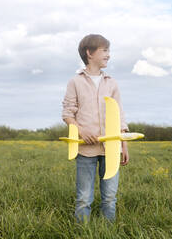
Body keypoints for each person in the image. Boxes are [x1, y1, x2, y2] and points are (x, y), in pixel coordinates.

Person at [62, 34, 129, 223]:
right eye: (105, 51)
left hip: (111, 149)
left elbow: (120, 116)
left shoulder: (112, 83)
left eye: (109, 51)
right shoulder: (75, 82)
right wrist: (82, 131)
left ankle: (108, 232)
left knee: (109, 197)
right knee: (84, 198)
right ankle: (83, 232)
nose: (108, 55)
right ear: (89, 53)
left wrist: (124, 145)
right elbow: (67, 114)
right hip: (85, 150)